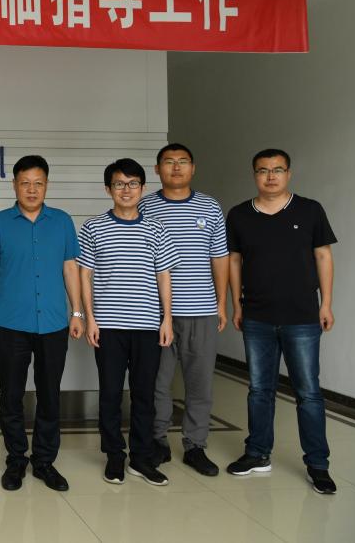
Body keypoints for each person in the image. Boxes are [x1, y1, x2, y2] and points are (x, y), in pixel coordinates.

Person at [225, 148, 338, 495]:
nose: (270, 176)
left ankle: (318, 464)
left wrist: (326, 303)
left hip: (302, 316)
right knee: (260, 390)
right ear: (254, 175)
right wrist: (236, 304)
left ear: (288, 174)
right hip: (257, 316)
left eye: (277, 170)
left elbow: (323, 256)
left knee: (308, 393)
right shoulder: (240, 214)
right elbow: (234, 261)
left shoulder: (310, 210)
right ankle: (257, 453)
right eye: (263, 170)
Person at [0, 155, 83, 492]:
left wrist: (77, 311)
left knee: (49, 394)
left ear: (47, 185)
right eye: (25, 183)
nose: (32, 189)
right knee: (11, 395)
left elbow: (70, 268)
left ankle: (44, 461)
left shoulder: (62, 221)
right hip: (11, 323)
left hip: (53, 323)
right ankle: (15, 460)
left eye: (39, 183)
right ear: (14, 185)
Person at [79, 158, 179, 486]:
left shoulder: (157, 229)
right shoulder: (93, 228)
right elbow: (85, 275)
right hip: (108, 327)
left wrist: (167, 319)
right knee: (110, 394)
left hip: (148, 326)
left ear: (143, 188)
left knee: (144, 394)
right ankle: (114, 456)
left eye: (133, 183)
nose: (126, 190)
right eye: (119, 184)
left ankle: (141, 457)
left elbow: (164, 276)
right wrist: (90, 318)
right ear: (108, 189)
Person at [138, 143, 228, 476]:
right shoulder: (144, 206)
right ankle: (158, 441)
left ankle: (195, 445)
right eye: (169, 162)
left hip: (201, 310)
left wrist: (221, 303)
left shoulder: (210, 206)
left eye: (183, 162)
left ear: (193, 168)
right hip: (155, 313)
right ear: (157, 169)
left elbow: (219, 257)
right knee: (157, 383)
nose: (176, 167)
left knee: (199, 383)